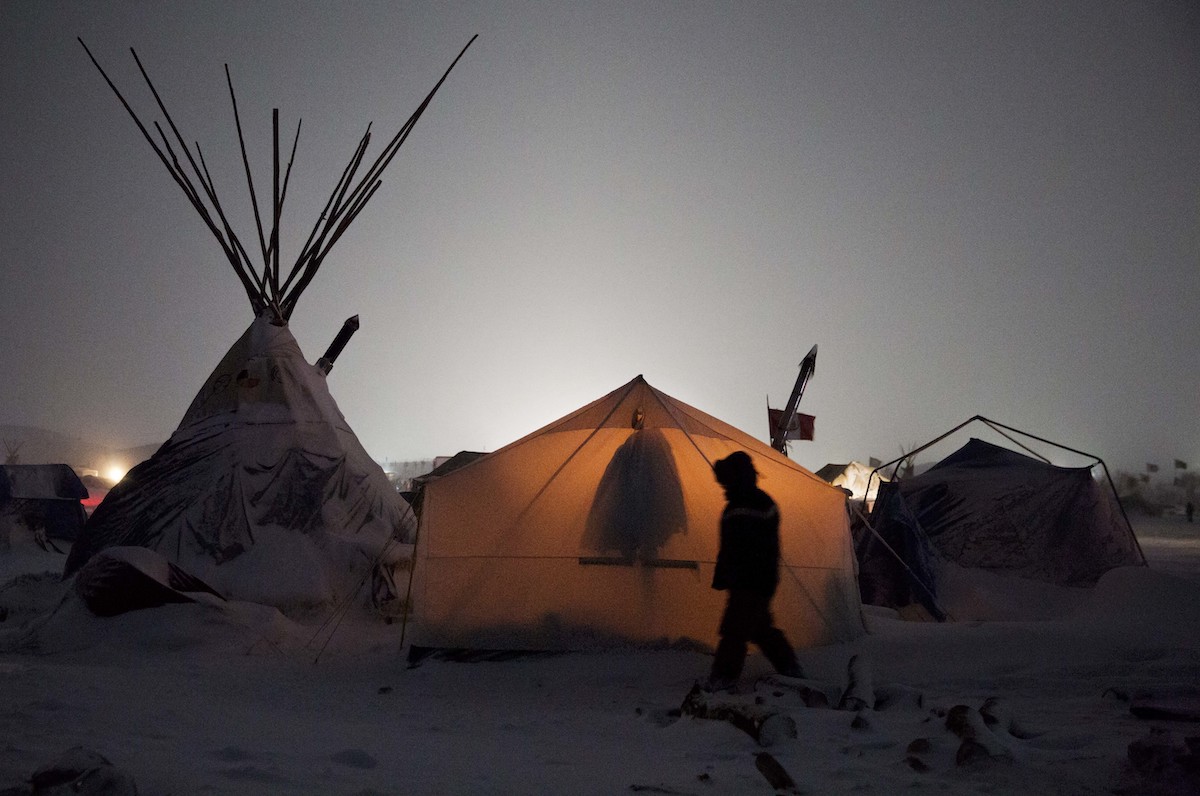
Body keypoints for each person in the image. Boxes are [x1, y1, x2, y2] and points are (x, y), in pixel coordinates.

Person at [705, 451, 802, 692]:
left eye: (725, 480)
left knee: (735, 630)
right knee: (759, 628)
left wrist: (730, 574)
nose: (722, 485)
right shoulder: (754, 502)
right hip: (756, 579)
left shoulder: (747, 505)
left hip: (751, 580)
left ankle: (723, 678)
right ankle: (790, 668)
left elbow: (739, 548)